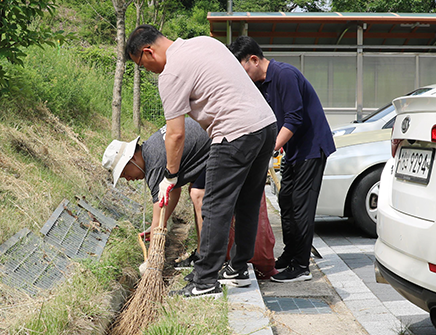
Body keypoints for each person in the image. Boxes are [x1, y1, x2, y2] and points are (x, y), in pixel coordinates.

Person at [125, 25, 277, 298]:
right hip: (265, 126)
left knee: (214, 205)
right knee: (247, 203)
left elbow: (175, 133)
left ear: (148, 51)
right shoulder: (206, 43)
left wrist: (170, 176)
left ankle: (205, 280)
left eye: (143, 65)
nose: (149, 70)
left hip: (233, 132)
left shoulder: (171, 72)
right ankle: (238, 269)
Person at [228, 36, 336, 283]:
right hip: (295, 151)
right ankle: (290, 254)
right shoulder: (262, 83)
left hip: (311, 148)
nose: (242, 76)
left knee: (301, 208)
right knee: (286, 201)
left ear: (253, 60)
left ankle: (301, 266)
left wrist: (268, 150)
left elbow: (294, 119)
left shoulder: (284, 74)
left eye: (242, 68)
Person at [101, 118, 209, 272]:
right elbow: (174, 190)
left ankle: (205, 260)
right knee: (195, 190)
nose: (129, 179)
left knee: (198, 194)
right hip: (209, 142)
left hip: (219, 144)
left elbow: (159, 218)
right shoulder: (150, 149)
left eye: (125, 173)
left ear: (132, 159)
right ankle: (201, 254)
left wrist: (152, 261)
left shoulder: (154, 166)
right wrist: (154, 228)